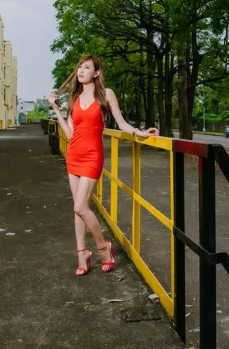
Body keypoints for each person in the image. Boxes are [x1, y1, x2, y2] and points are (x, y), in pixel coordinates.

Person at [48, 55, 159, 276]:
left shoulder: (106, 95)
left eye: (87, 67)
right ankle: (82, 253)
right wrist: (57, 110)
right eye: (80, 67)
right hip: (74, 155)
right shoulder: (74, 98)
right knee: (77, 209)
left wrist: (140, 133)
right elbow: (70, 134)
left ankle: (102, 247)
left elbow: (122, 123)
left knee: (80, 207)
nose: (81, 71)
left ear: (96, 73)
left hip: (92, 156)